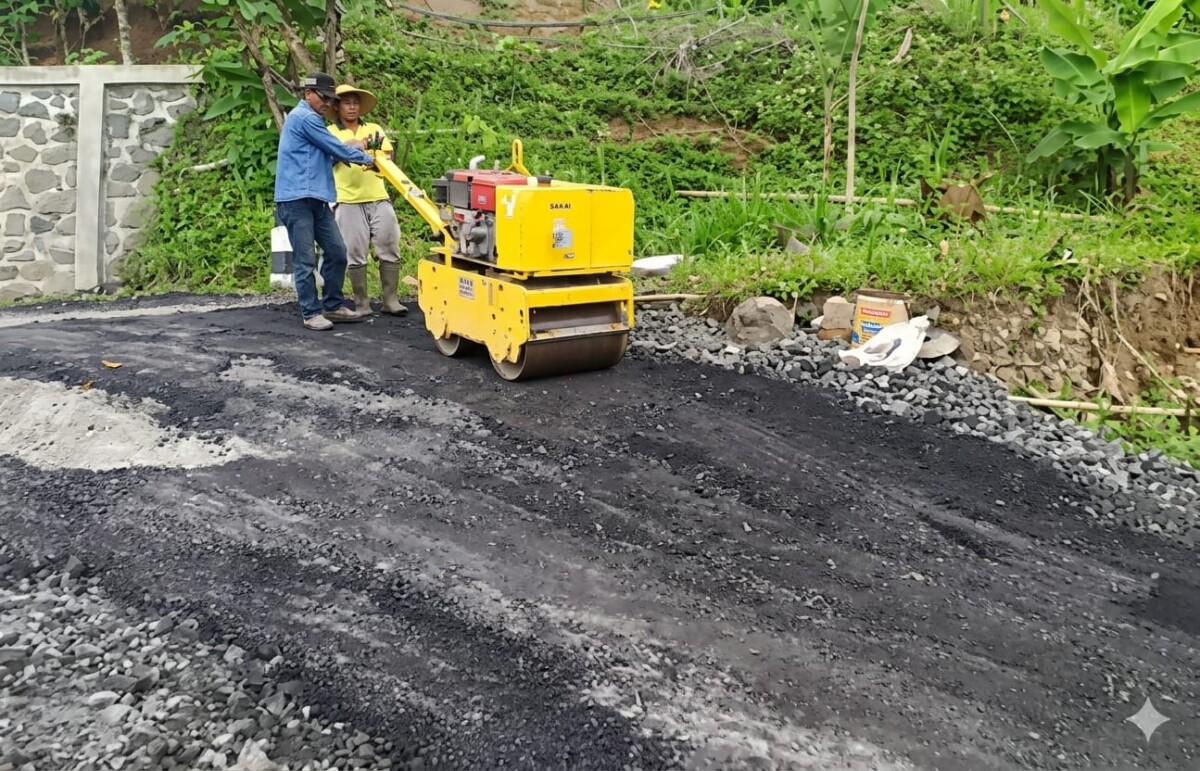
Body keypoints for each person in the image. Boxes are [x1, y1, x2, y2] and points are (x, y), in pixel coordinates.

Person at [274, 72, 377, 331]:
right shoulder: (305, 117)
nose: (328, 103)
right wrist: (368, 158)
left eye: (330, 99)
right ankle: (311, 313)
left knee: (337, 252)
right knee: (305, 259)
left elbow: (324, 157)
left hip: (317, 199)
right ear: (308, 93)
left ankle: (332, 305)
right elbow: (335, 148)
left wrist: (350, 149)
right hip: (297, 199)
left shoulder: (311, 120)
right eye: (324, 97)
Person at [327, 83, 407, 316]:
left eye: (355, 103)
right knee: (354, 250)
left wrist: (374, 158)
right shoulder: (330, 132)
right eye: (347, 103)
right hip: (348, 199)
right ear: (338, 106)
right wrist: (357, 147)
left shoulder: (373, 128)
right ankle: (361, 302)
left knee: (389, 242)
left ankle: (391, 299)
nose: (352, 107)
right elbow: (331, 155)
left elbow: (387, 155)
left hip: (378, 195)